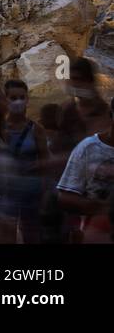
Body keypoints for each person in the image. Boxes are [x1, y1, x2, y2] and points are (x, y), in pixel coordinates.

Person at [56, 96, 114, 243]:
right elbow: (65, 196)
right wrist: (101, 208)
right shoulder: (89, 148)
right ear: (111, 113)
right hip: (97, 233)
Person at [1, 79, 49, 243]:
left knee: (32, 236)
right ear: (4, 100)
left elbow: (46, 163)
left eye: (22, 97)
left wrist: (44, 194)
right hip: (5, 192)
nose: (18, 102)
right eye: (13, 98)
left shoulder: (36, 129)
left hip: (31, 193)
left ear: (28, 99)